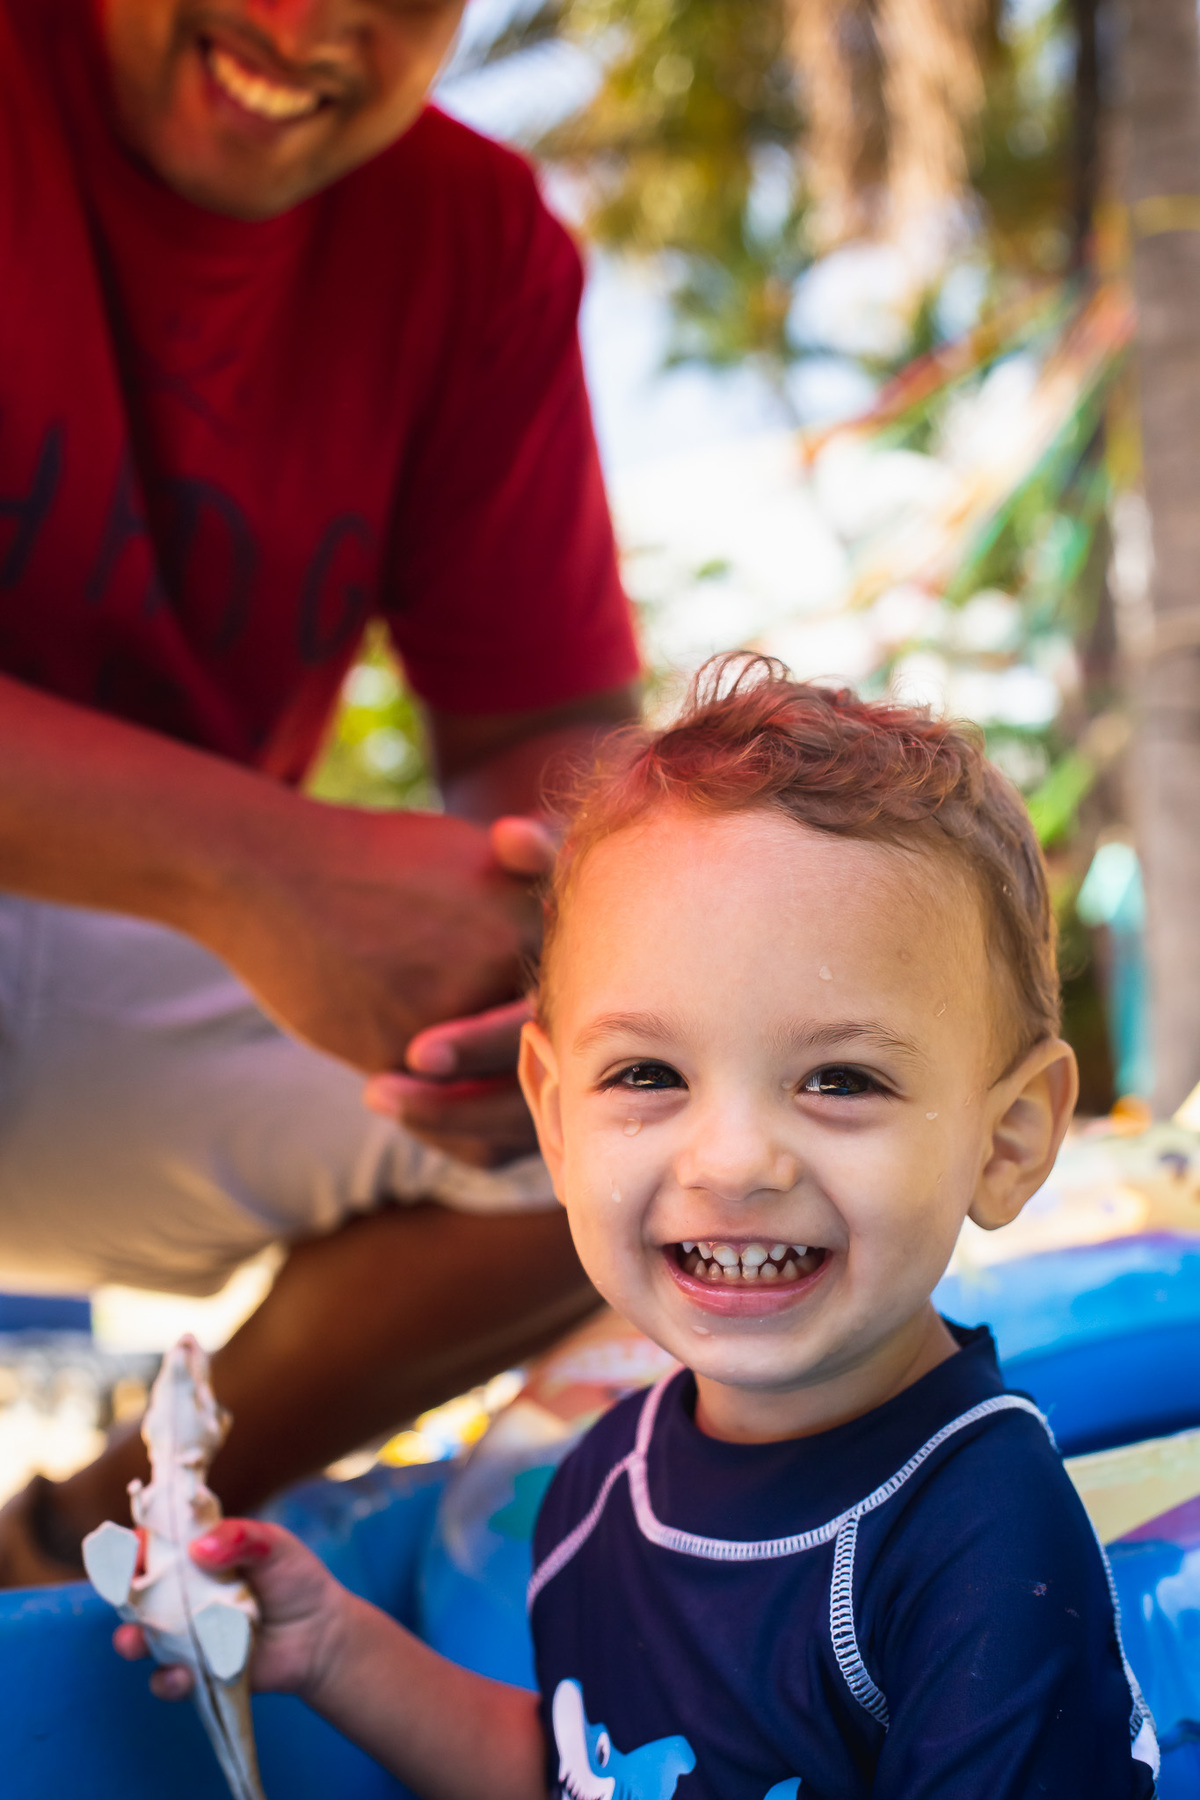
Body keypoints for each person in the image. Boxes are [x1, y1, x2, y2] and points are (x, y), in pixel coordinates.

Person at [117, 658, 1159, 1797]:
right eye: (650, 1073)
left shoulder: (976, 1542)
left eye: (842, 1080)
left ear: (1005, 1142)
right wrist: (339, 1650)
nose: (732, 1162)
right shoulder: (603, 1485)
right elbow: (580, 1772)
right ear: (556, 1121)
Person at [0, 0, 642, 1582]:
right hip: (183, 894)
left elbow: (548, 728)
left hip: (111, 1017)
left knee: (648, 1097)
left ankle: (91, 1547)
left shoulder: (475, 243)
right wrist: (252, 867)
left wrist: (560, 931)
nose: (308, 22)